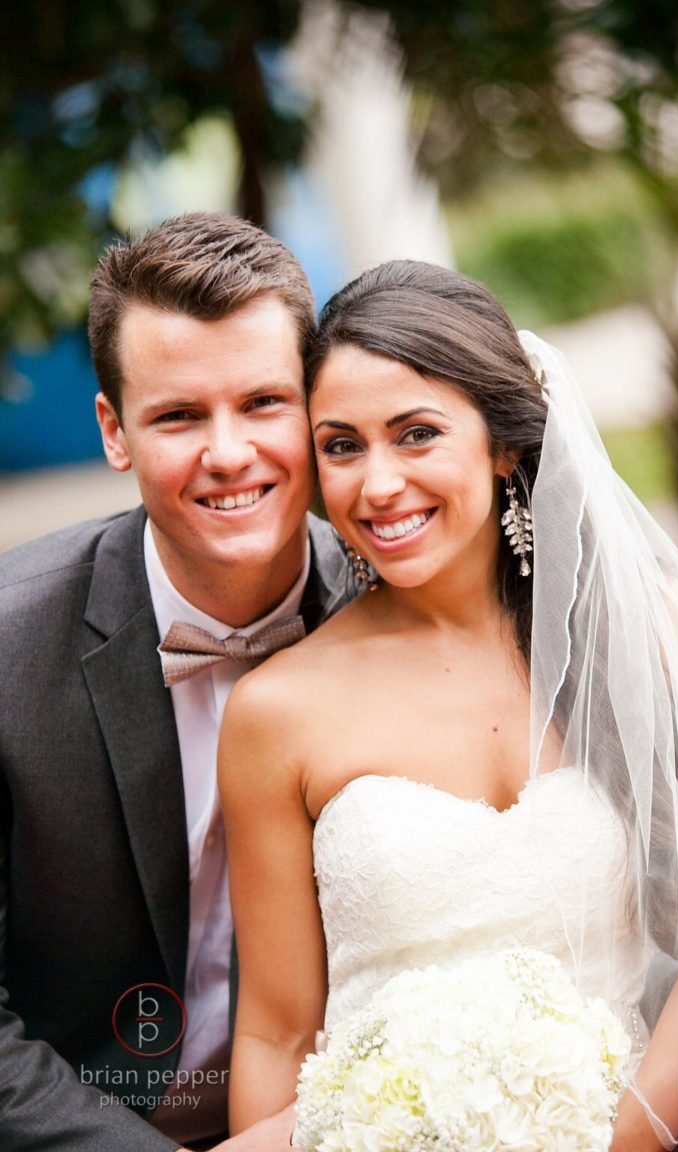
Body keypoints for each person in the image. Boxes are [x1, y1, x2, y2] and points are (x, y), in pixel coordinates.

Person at [219, 259, 678, 1151]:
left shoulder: (642, 630)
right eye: (343, 445)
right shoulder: (276, 712)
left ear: (503, 443)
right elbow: (278, 1032)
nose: (378, 483)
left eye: (416, 433)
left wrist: (627, 1140)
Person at [0, 212, 349, 1152]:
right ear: (115, 431)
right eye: (180, 415)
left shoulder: (402, 613)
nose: (229, 453)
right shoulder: (6, 653)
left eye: (265, 402)